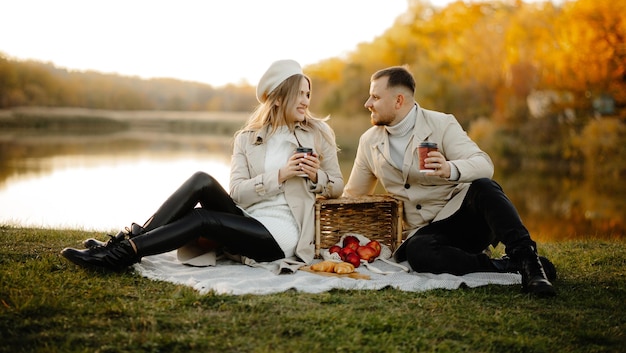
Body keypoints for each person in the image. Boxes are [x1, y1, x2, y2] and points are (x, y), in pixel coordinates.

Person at [61, 59, 344, 272]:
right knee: (201, 180)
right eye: (301, 93)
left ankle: (119, 254)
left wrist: (315, 175)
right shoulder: (247, 139)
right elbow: (238, 194)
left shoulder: (318, 133)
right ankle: (124, 243)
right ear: (280, 96)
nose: (307, 101)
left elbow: (337, 186)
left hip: (280, 235)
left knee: (201, 219)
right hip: (246, 217)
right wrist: (280, 175)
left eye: (309, 94)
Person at [342, 66, 556, 297]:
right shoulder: (368, 142)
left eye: (375, 97)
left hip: (462, 222)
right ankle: (504, 266)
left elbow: (485, 164)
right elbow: (353, 196)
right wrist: (318, 187)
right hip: (423, 234)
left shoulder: (442, 124)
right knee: (417, 253)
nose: (367, 104)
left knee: (485, 187)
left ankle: (530, 263)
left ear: (398, 100)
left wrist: (449, 168)